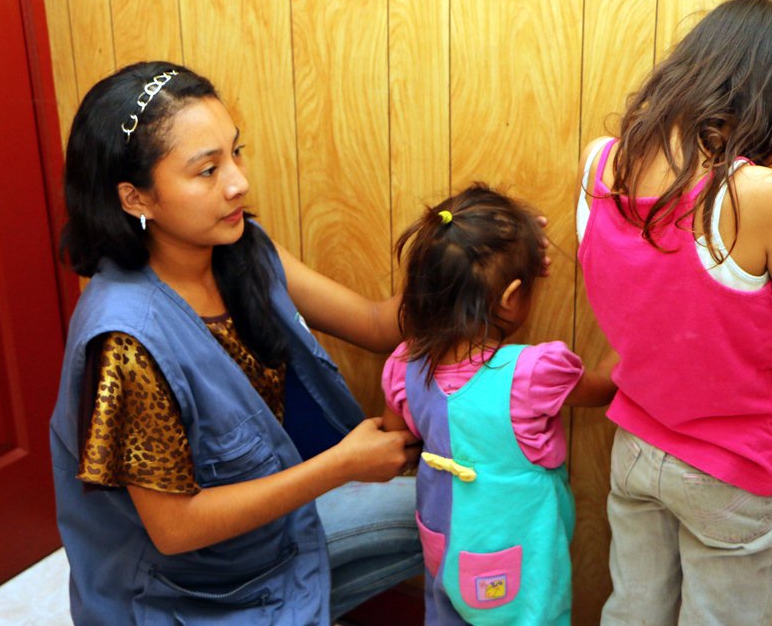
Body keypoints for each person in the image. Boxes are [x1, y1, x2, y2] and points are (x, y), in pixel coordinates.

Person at [49, 60, 425, 625]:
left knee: (469, 501)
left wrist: (468, 259)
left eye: (235, 151)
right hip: (188, 594)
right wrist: (341, 466)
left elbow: (374, 323)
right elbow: (175, 530)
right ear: (136, 199)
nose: (238, 182)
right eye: (206, 170)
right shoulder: (125, 340)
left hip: (268, 540)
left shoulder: (241, 248)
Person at [576, 0, 772, 625]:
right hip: (737, 471)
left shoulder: (603, 162)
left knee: (632, 613)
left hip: (638, 448)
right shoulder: (758, 193)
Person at [381, 184, 616, 625]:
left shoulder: (403, 366)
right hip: (520, 565)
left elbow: (394, 437)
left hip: (444, 545)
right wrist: (639, 319)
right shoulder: (532, 374)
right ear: (511, 298)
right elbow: (604, 386)